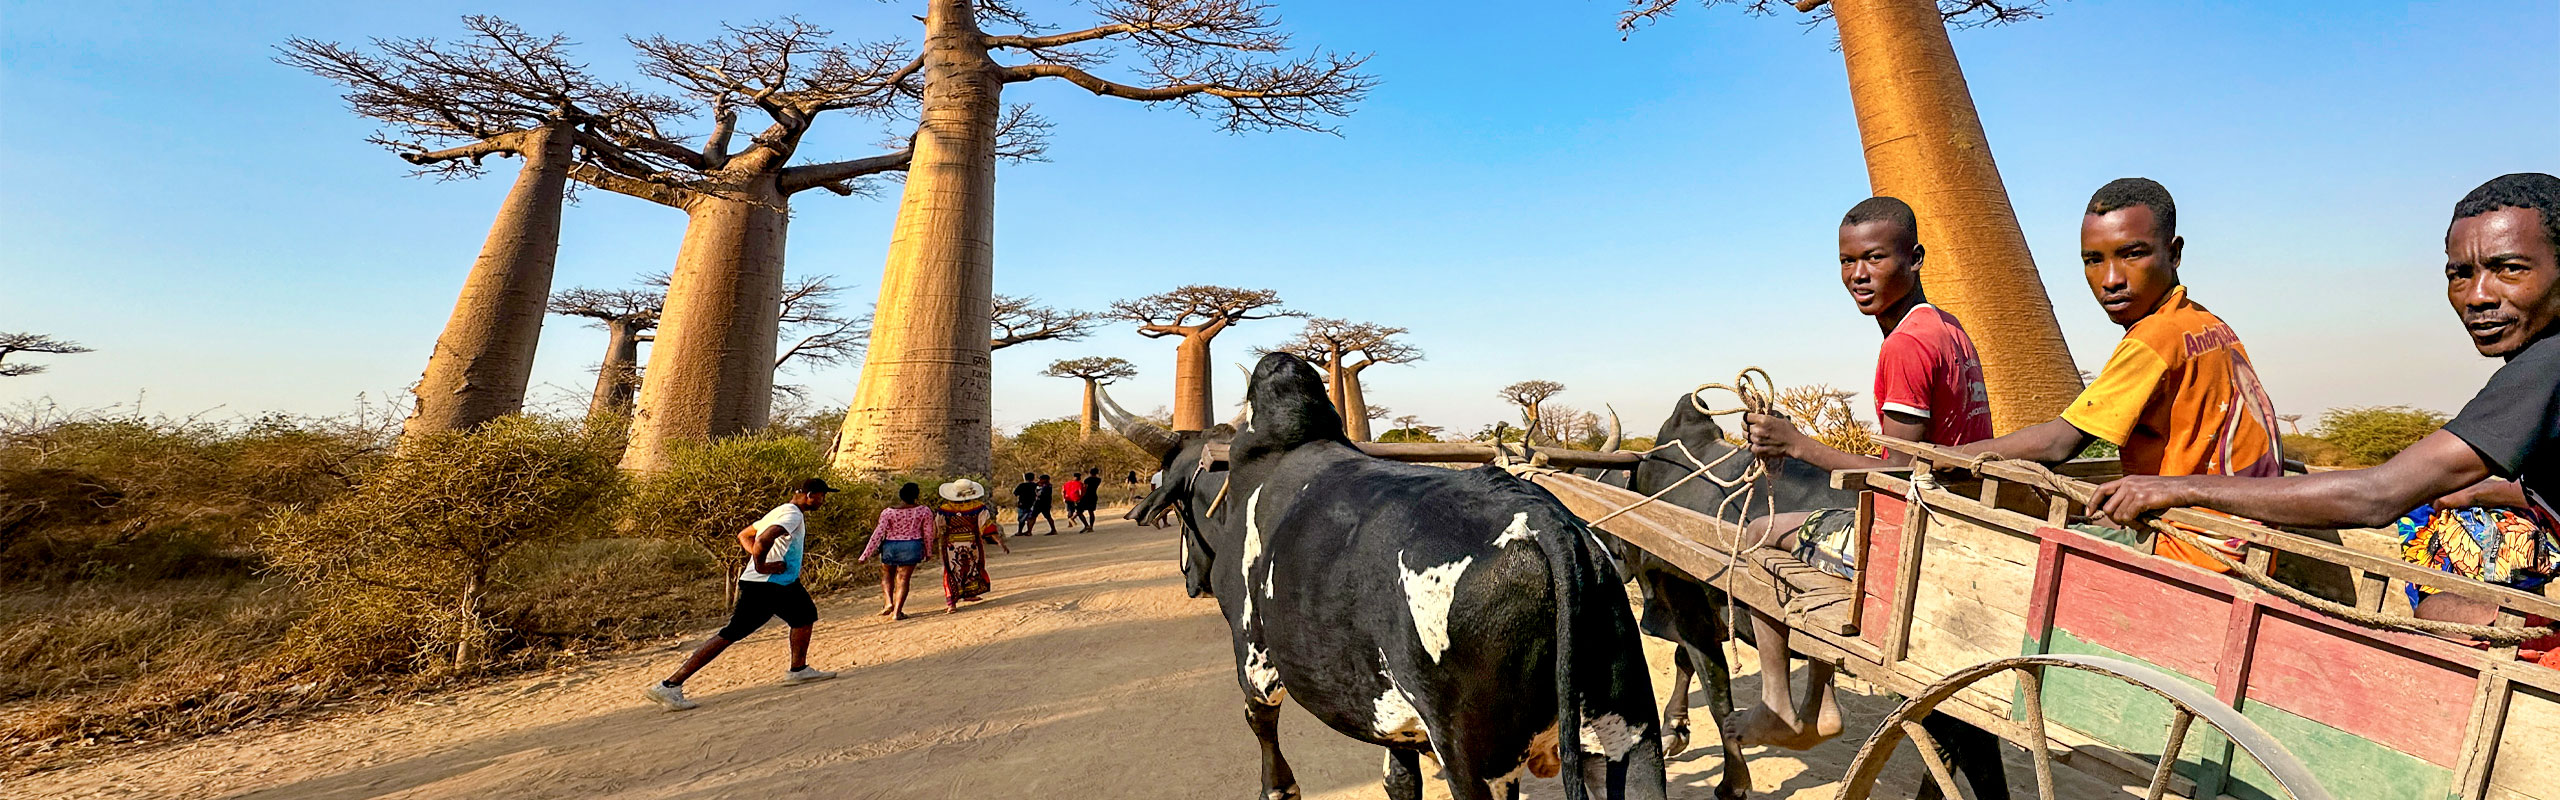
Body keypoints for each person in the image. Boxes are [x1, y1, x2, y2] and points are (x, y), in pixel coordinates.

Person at [2091, 173, 2560, 631]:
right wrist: (2478, 489)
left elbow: (2377, 497)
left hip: (2201, 547)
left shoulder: (2548, 366)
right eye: (2460, 274)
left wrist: (2180, 489)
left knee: (2440, 613)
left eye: (2510, 269)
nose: (2477, 296)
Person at [1729, 195, 1997, 750]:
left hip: (1924, 535)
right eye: (1847, 262)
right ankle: (1819, 701)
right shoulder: (1946, 328)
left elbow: (1897, 472)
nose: (1858, 275)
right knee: (1830, 520)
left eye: (1873, 259)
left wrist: (1798, 444)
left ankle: (1779, 704)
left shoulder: (1905, 345)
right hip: (1961, 515)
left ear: (1915, 257)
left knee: (1757, 536)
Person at [1950, 177, 2284, 570]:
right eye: (2093, 260)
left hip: (2199, 549)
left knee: (1999, 560)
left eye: (2132, 254)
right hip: (2246, 540)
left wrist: (1952, 457)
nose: (2110, 280)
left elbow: (2059, 444)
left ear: (2174, 253)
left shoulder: (2154, 338)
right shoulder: (2205, 323)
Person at [645, 477, 841, 711]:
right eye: (822, 496)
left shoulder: (780, 510)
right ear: (810, 495)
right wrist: (761, 565)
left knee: (804, 616)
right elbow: (765, 538)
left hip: (782, 582)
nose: (823, 500)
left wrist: (761, 561)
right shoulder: (793, 515)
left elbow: (744, 535)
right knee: (732, 633)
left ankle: (798, 670)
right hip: (767, 584)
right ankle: (669, 685)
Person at [861, 482, 935, 620]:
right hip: (912, 545)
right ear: (916, 496)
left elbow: (878, 533)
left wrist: (866, 554)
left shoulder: (888, 512)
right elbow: (928, 533)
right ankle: (897, 612)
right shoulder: (924, 511)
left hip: (890, 545)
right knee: (903, 579)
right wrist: (928, 551)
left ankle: (888, 602)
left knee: (887, 574)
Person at [934, 479, 1008, 612]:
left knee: (952, 570)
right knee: (972, 567)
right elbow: (987, 527)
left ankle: (952, 603)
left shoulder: (945, 509)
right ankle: (969, 592)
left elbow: (939, 527)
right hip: (972, 543)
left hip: (951, 545)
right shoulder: (978, 507)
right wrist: (1000, 542)